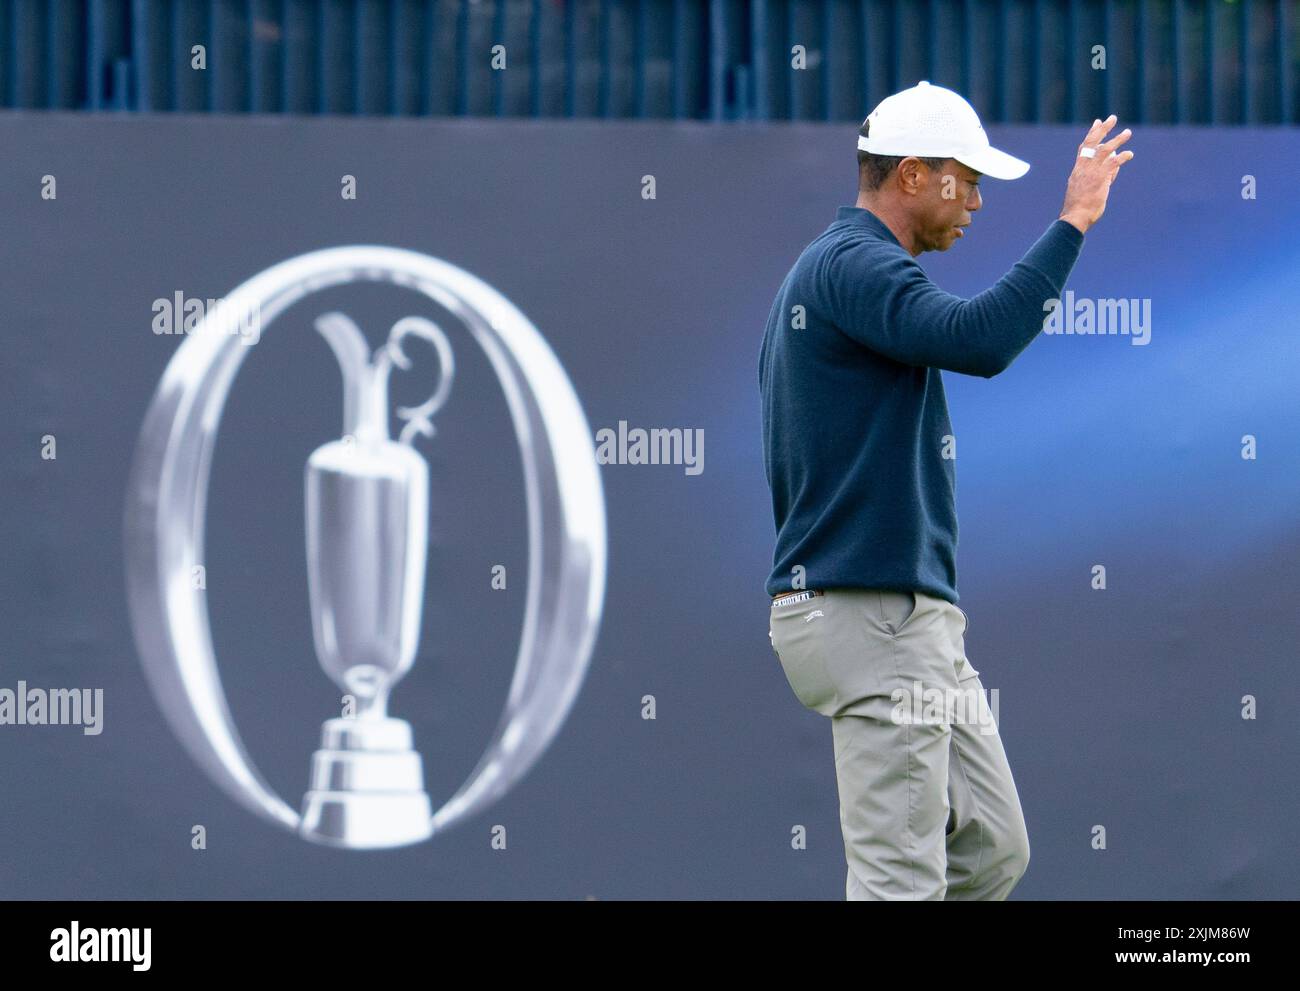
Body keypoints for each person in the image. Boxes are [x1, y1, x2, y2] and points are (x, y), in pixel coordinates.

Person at [759, 81, 1133, 900]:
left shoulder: (838, 270)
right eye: (966, 180)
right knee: (902, 883)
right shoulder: (853, 263)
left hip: (898, 617)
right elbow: (981, 338)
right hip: (875, 615)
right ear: (914, 176)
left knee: (992, 850)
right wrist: (1071, 224)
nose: (975, 203)